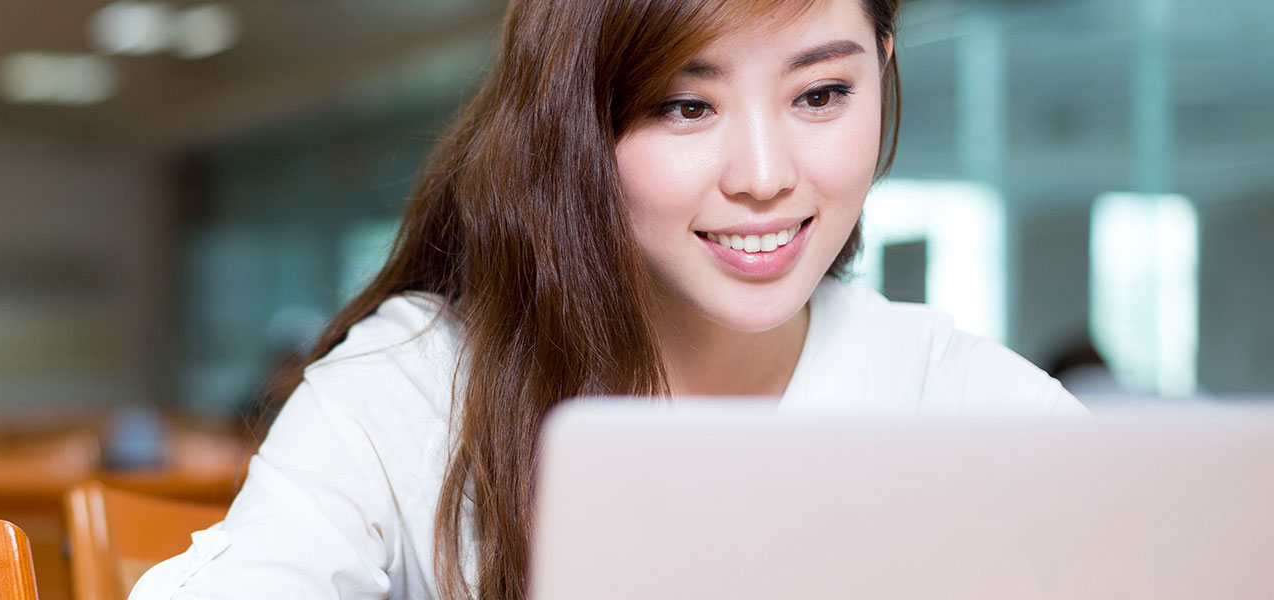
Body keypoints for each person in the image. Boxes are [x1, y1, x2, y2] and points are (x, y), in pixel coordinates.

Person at [132, 0, 1084, 598]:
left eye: (822, 94)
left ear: (883, 62)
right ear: (574, 123)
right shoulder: (415, 388)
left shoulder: (962, 403)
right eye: (685, 105)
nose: (764, 175)